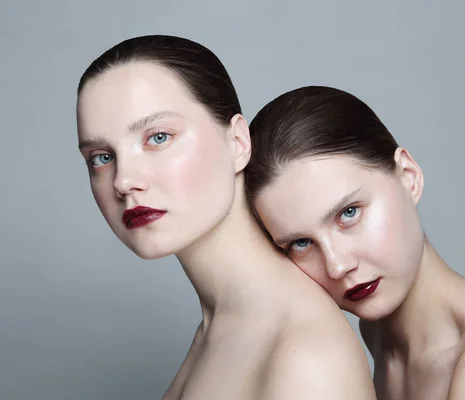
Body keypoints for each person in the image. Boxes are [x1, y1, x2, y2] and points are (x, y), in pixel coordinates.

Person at [75, 36, 376, 400]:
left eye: (157, 137)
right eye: (101, 157)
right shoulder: (221, 326)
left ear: (237, 142)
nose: (123, 181)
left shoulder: (306, 356)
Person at [245, 85, 465, 399]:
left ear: (409, 176)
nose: (337, 265)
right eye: (301, 243)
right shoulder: (378, 335)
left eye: (349, 213)